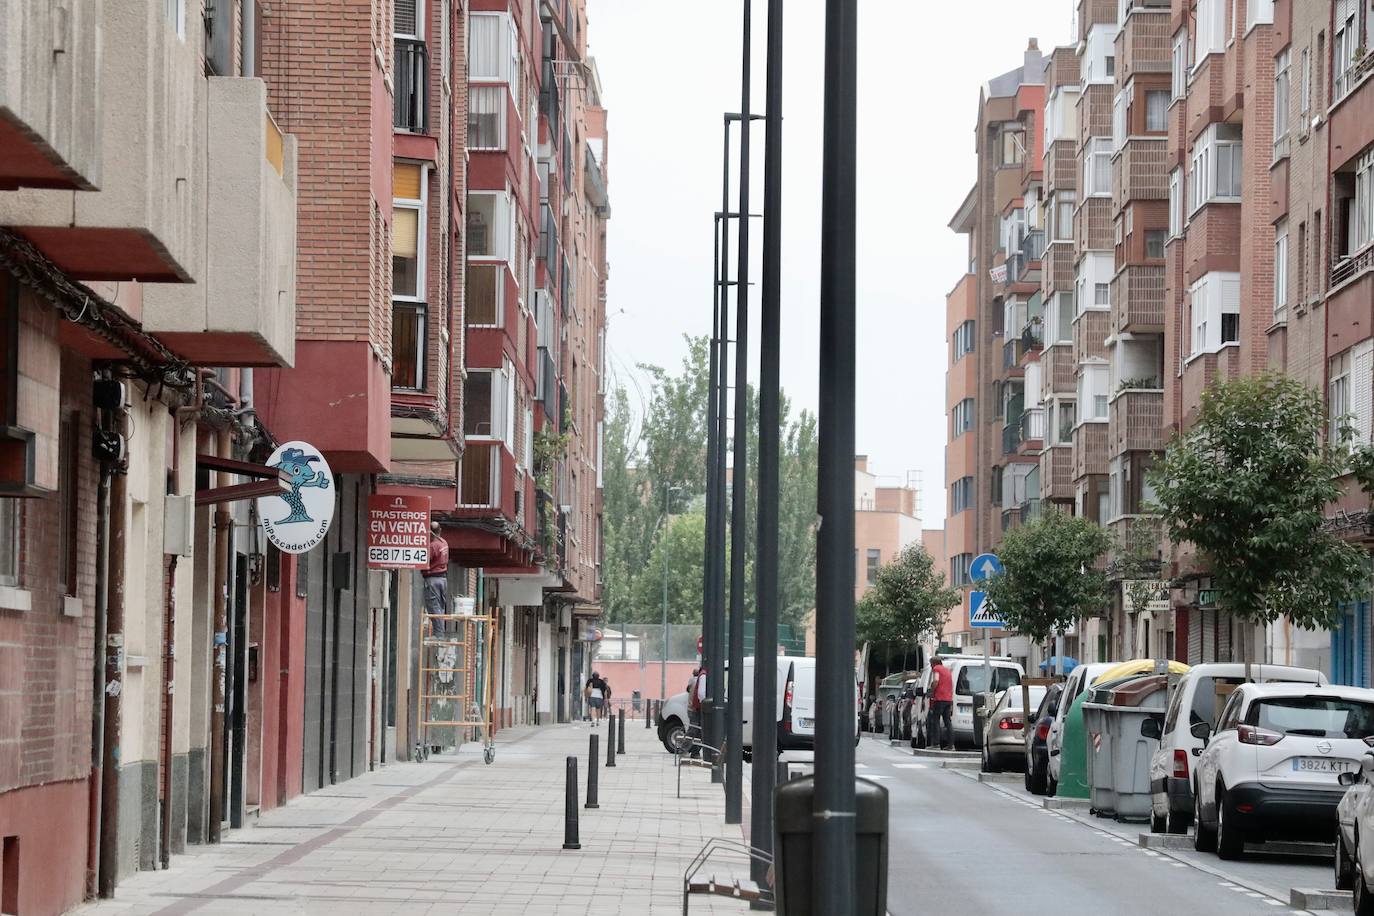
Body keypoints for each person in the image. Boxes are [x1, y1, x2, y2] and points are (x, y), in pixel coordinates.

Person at [423, 522, 449, 638]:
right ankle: (440, 633)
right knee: (439, 606)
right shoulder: (444, 543)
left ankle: (439, 634)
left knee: (433, 606)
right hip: (442, 579)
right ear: (440, 530)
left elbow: (424, 560)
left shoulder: (433, 546)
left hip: (432, 579)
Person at [928, 656, 955, 750]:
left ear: (934, 663)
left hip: (939, 698)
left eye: (931, 664)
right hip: (948, 699)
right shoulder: (947, 670)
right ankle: (951, 745)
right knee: (947, 722)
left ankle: (936, 744)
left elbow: (936, 680)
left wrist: (932, 691)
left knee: (935, 721)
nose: (931, 666)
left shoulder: (936, 669)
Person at [687, 666, 706, 758]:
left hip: (692, 709)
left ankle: (692, 749)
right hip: (695, 709)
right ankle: (685, 747)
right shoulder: (697, 680)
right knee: (694, 730)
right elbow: (701, 695)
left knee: (695, 730)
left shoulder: (692, 681)